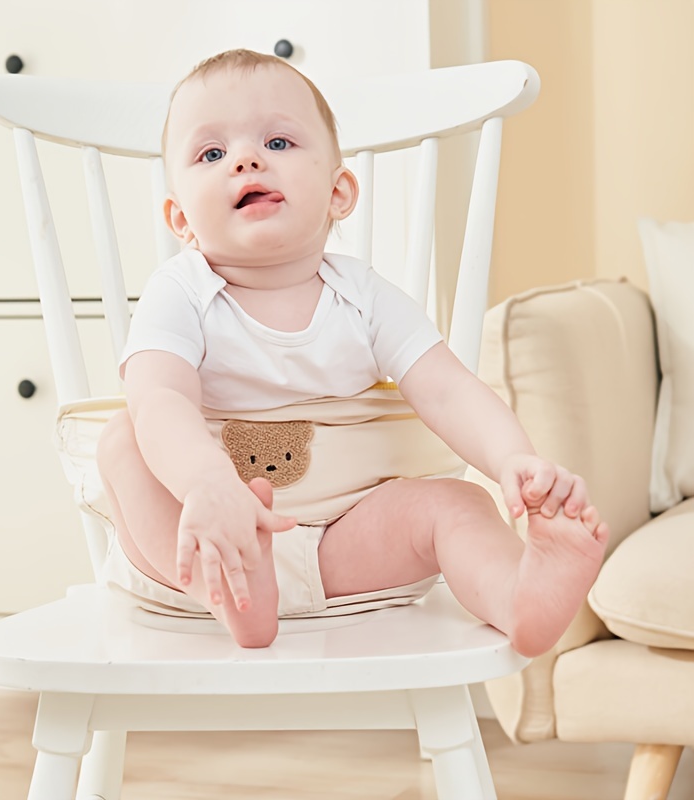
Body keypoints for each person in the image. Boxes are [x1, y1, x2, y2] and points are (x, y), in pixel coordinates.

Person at [96, 48, 608, 654]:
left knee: (457, 504)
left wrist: (512, 460)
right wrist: (207, 483)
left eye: (278, 142)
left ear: (338, 192)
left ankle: (518, 595)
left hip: (347, 542)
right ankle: (236, 592)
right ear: (180, 218)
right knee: (125, 440)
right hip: (205, 539)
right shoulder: (179, 291)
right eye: (212, 154)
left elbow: (447, 389)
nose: (246, 159)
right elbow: (160, 397)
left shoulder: (364, 298)